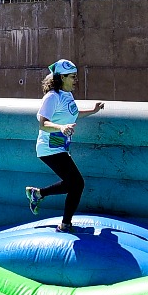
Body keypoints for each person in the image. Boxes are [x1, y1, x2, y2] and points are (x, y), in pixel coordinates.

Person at [25, 59, 104, 233]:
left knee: (73, 183)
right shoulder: (52, 97)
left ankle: (37, 194)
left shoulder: (67, 95)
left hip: (60, 146)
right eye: (72, 77)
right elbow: (43, 124)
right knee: (77, 183)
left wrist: (93, 110)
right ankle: (65, 225)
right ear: (61, 77)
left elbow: (73, 115)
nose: (76, 80)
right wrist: (61, 127)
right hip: (48, 148)